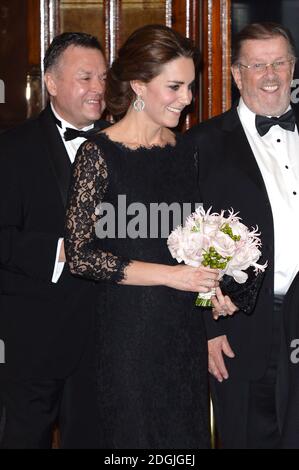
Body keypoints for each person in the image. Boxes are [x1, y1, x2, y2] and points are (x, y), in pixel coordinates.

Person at [65, 24, 237, 449]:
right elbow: (81, 256)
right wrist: (172, 275)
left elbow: (199, 240)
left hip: (182, 339)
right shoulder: (98, 153)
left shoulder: (180, 150)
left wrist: (210, 290)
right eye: (175, 86)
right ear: (139, 85)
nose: (188, 99)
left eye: (190, 87)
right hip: (128, 340)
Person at [187, 22, 299, 449]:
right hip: (242, 323)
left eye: (279, 62)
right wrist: (206, 329)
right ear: (237, 75)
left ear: (292, 67)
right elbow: (189, 249)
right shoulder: (203, 144)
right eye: (257, 65)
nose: (270, 75)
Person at [0, 32, 109, 449]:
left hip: (101, 343)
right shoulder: (11, 150)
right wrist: (59, 251)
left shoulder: (123, 147)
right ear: (51, 82)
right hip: (30, 345)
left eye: (102, 77)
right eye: (86, 77)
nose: (98, 88)